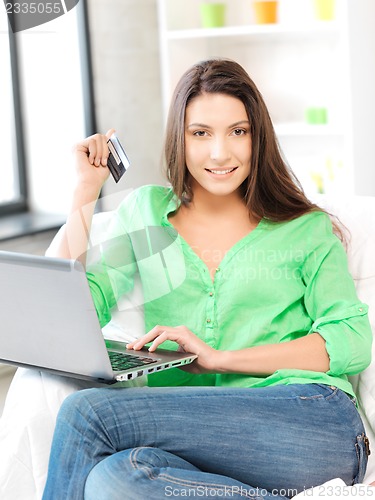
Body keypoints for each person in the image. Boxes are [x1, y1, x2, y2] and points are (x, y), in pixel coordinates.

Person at [42, 58, 372, 500]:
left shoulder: (304, 227)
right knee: (115, 479)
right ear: (180, 140)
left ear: (259, 138)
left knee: (88, 414)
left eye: (239, 131)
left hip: (311, 423)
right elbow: (72, 307)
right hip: (205, 443)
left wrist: (220, 358)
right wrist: (86, 189)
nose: (220, 153)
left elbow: (351, 339)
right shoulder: (147, 212)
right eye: (201, 133)